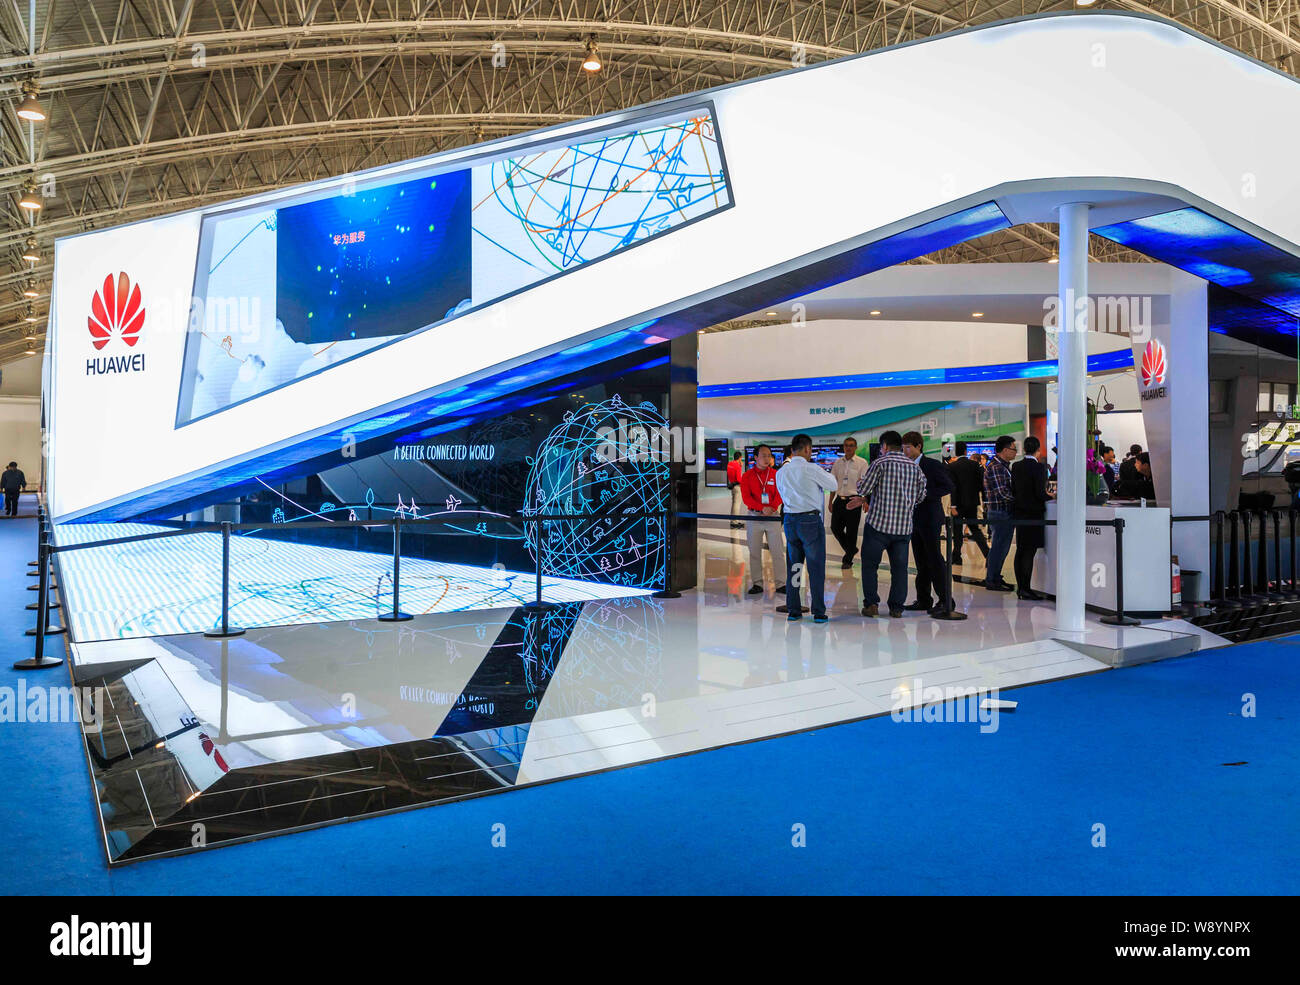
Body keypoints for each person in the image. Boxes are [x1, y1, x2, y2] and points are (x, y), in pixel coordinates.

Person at [847, 430, 926, 618]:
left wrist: (860, 483)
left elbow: (864, 489)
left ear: (884, 446)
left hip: (878, 527)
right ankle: (896, 607)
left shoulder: (880, 463)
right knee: (899, 569)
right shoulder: (914, 467)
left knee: (869, 566)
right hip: (903, 528)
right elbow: (922, 495)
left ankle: (872, 604)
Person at [774, 433, 838, 623]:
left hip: (789, 521)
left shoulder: (781, 472)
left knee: (794, 566)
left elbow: (781, 493)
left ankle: (794, 610)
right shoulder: (811, 468)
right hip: (809, 521)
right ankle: (818, 611)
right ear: (808, 449)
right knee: (816, 566)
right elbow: (833, 484)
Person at [901, 431, 956, 614]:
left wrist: (925, 495)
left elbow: (948, 486)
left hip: (930, 518)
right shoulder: (904, 466)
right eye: (904, 447)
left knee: (935, 559)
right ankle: (923, 599)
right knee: (920, 561)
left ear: (919, 446)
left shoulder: (931, 465)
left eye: (909, 447)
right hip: (912, 519)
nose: (906, 451)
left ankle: (946, 599)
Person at [739, 444, 786, 595]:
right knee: (754, 551)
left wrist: (771, 507)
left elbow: (780, 494)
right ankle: (757, 583)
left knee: (777, 551)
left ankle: (781, 584)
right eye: (763, 455)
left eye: (769, 455)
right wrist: (761, 508)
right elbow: (746, 498)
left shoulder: (775, 474)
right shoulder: (747, 476)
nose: (767, 458)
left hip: (772, 517)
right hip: (754, 517)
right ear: (755, 458)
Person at [1011, 436, 1052, 600]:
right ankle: (1026, 589)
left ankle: (1021, 588)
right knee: (1029, 551)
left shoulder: (1016, 466)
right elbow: (1039, 493)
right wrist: (1051, 496)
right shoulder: (1039, 467)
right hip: (1034, 513)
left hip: (1019, 512)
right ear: (1038, 449)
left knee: (1020, 550)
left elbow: (1014, 489)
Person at [982, 435, 1018, 592]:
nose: (1015, 452)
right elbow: (1002, 493)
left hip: (1001, 512)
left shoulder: (1002, 466)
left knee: (1001, 547)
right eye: (1013, 448)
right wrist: (1020, 501)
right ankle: (992, 579)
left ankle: (995, 577)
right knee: (999, 547)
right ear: (1005, 450)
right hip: (1000, 512)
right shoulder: (997, 467)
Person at [947, 441, 990, 564]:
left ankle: (956, 557)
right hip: (972, 502)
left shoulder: (952, 467)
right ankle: (988, 554)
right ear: (966, 451)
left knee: (957, 531)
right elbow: (982, 484)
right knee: (975, 529)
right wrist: (985, 500)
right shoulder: (975, 465)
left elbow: (953, 487)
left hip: (958, 504)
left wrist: (953, 505)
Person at [829, 436, 869, 568]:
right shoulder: (837, 462)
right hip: (839, 501)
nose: (848, 447)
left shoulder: (862, 463)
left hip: (854, 500)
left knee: (852, 531)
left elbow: (866, 483)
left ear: (855, 447)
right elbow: (833, 483)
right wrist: (830, 501)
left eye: (851, 445)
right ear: (843, 447)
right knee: (835, 528)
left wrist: (865, 500)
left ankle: (848, 559)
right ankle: (851, 549)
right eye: (846, 445)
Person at [726, 450, 745, 528]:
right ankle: (735, 522)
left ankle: (733, 521)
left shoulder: (730, 464)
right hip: (737, 487)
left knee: (734, 504)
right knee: (737, 504)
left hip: (732, 485)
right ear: (740, 458)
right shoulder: (737, 465)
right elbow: (738, 478)